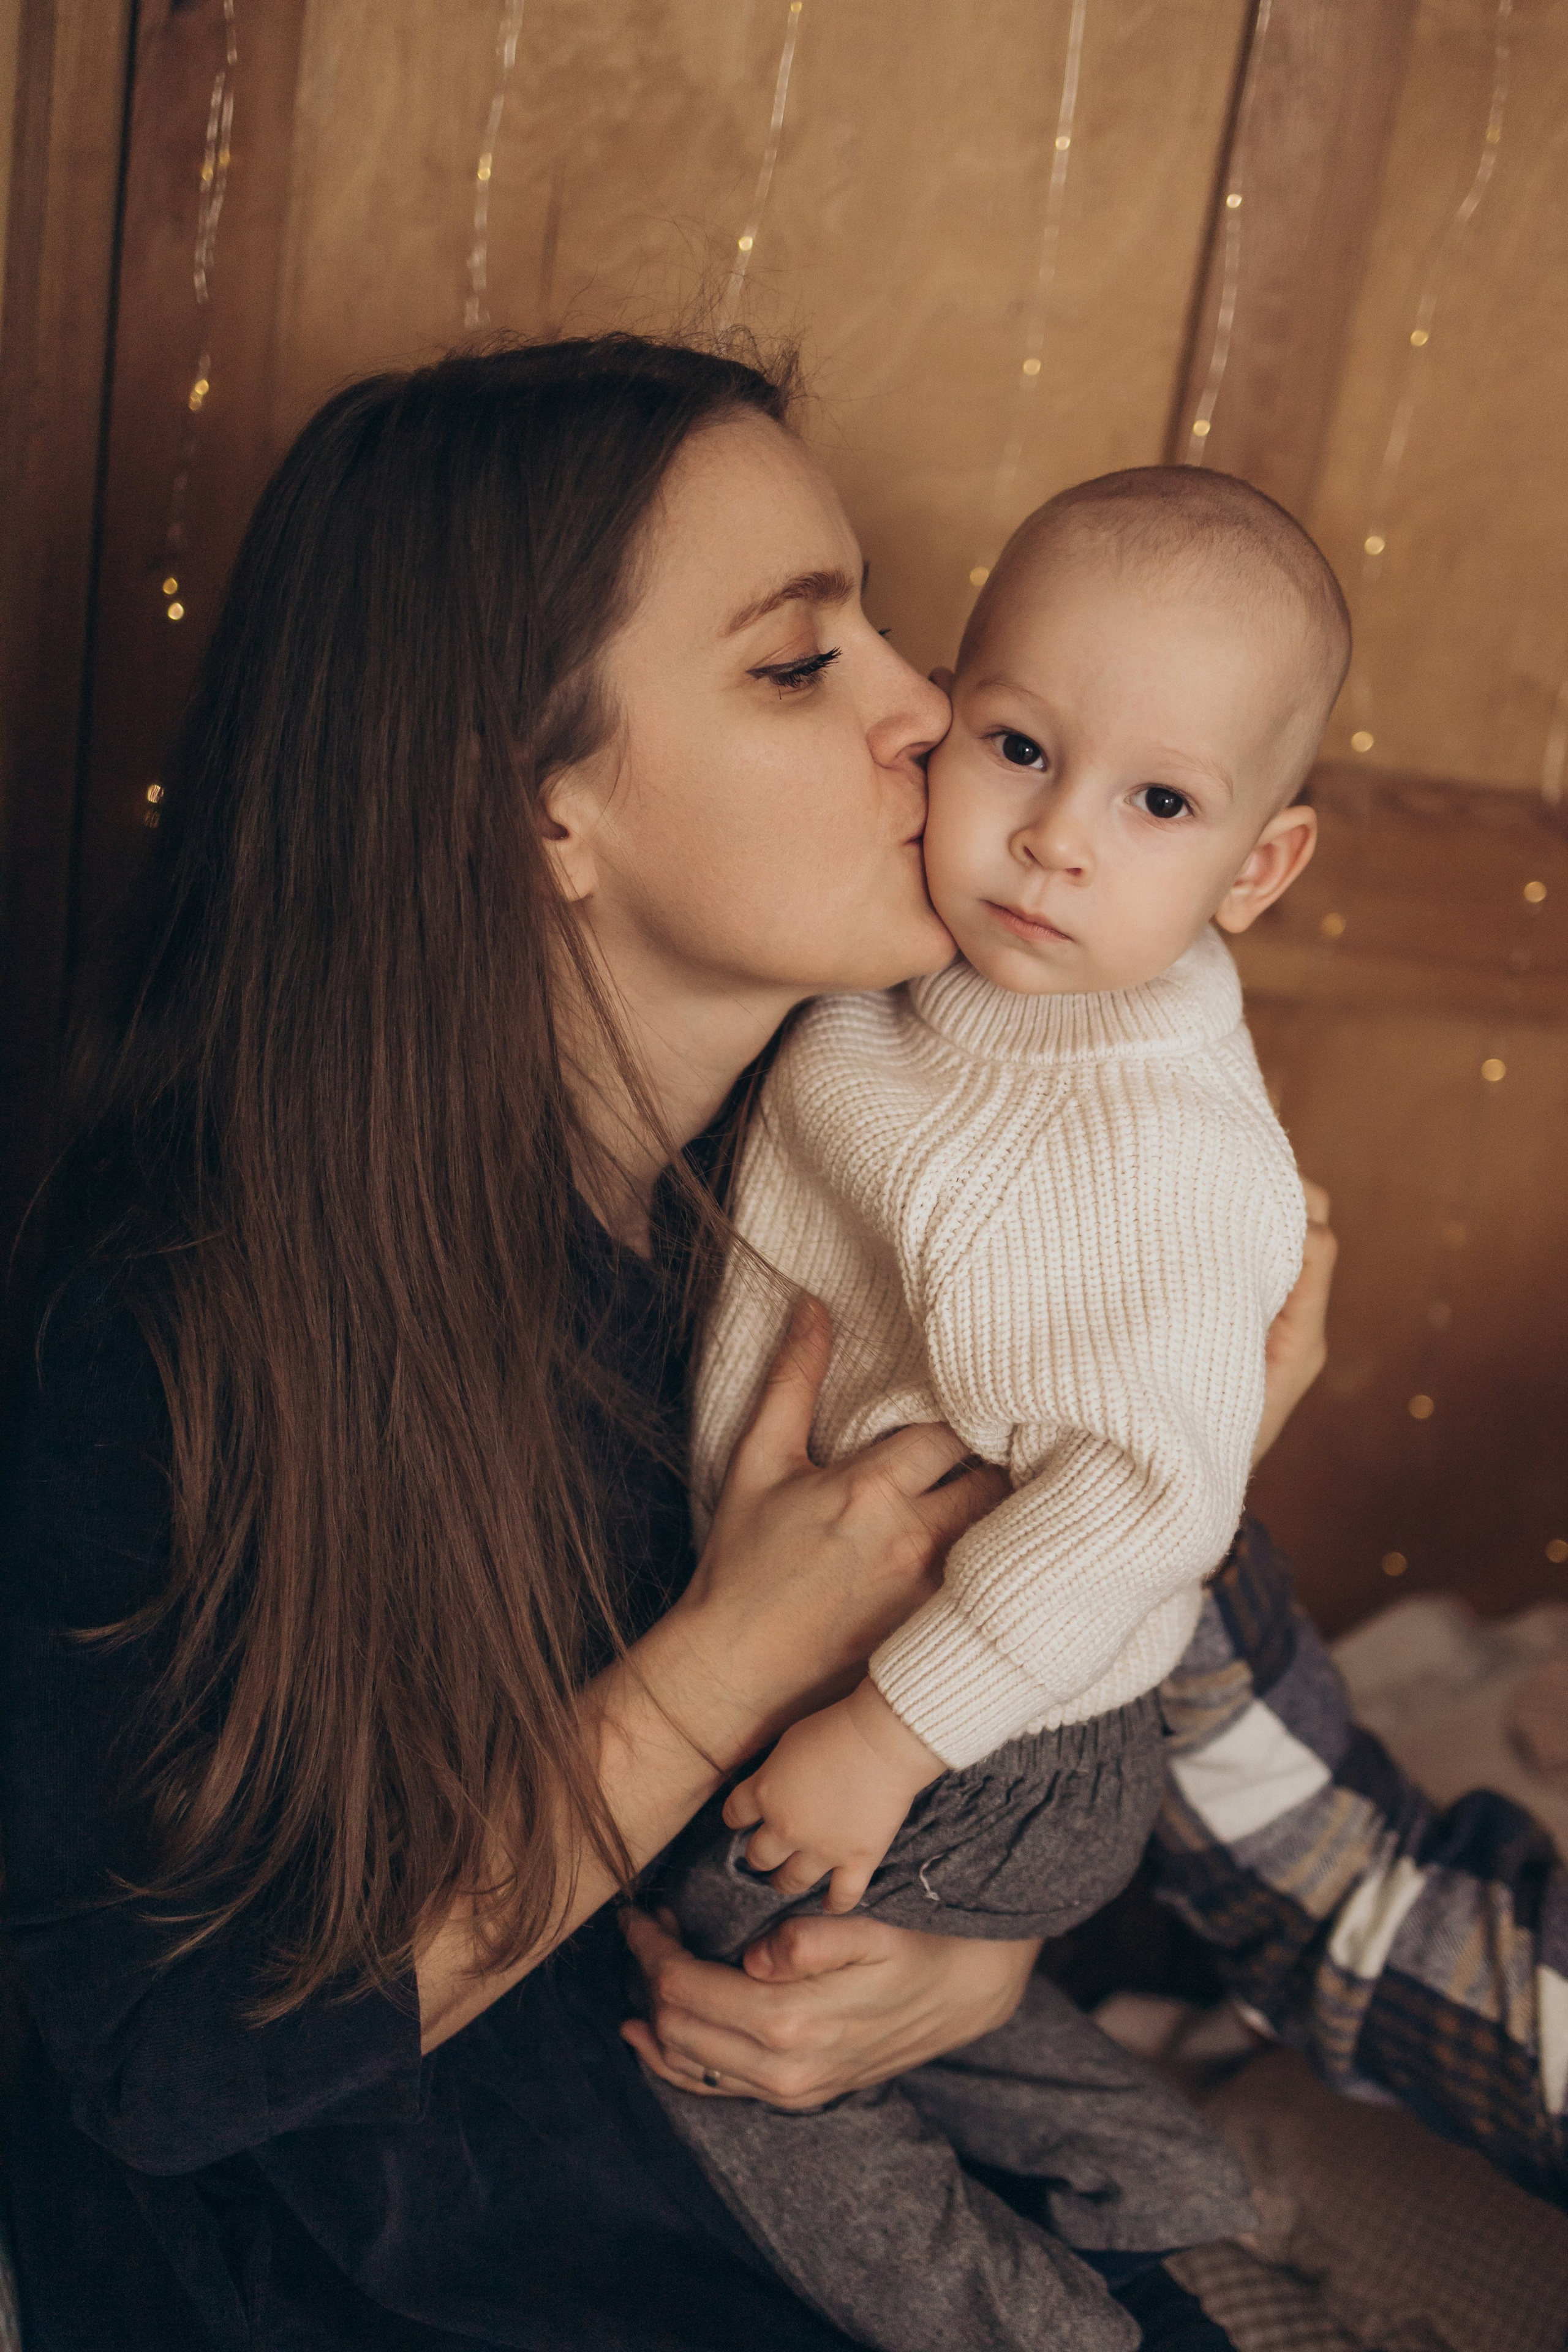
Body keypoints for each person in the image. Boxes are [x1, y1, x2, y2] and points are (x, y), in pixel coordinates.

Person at [0, 335, 1241, 2352]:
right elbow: (166, 2063)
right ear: (537, 808)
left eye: (880, 633)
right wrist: (735, 1648)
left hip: (784, 2196)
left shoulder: (867, 1155)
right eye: (796, 661)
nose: (927, 708)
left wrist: (979, 1965)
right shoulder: (166, 1325)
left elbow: (1097, 1710)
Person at [649, 469, 1345, 2349]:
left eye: (1159, 804)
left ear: (1254, 871)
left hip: (1001, 1714)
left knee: (695, 2012)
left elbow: (1139, 1505)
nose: (1053, 840)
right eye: (1020, 747)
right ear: (950, 720)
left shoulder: (1176, 1148)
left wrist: (887, 1729)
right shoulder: (893, 1001)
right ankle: (1174, 2193)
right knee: (876, 1978)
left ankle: (1032, 2324)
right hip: (879, 1667)